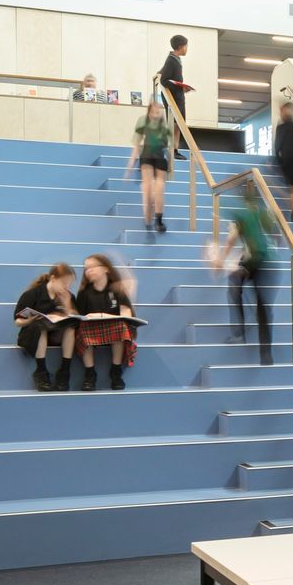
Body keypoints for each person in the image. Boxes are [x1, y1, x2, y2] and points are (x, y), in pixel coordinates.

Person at [216, 186, 275, 363]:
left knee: (234, 286)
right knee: (262, 305)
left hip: (255, 260)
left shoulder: (241, 214)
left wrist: (220, 260)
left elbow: (231, 240)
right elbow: (270, 233)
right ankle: (266, 353)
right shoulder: (262, 212)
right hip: (267, 261)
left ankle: (239, 333)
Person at [74, 254, 136, 391]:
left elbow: (126, 312)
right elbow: (79, 316)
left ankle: (116, 372)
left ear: (105, 269)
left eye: (92, 267)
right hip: (91, 329)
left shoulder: (116, 289)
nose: (88, 271)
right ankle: (90, 374)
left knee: (121, 327)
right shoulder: (84, 292)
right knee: (82, 330)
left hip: (113, 328)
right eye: (86, 269)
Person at [14, 262, 78, 392]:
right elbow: (18, 322)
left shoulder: (68, 296)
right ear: (53, 279)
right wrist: (29, 320)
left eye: (70, 284)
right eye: (64, 283)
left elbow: (74, 318)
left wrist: (67, 305)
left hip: (55, 335)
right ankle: (41, 372)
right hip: (33, 335)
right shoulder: (33, 293)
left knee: (71, 326)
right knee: (41, 326)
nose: (67, 287)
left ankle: (64, 371)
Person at [128, 101, 172, 233]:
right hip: (147, 156)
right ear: (149, 112)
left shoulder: (165, 127)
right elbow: (136, 143)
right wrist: (130, 164)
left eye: (158, 111)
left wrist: (170, 163)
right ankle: (149, 215)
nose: (156, 113)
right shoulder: (143, 121)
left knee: (159, 189)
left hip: (159, 157)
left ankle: (158, 219)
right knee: (148, 190)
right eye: (154, 111)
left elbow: (168, 147)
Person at [273, 99, 293, 223]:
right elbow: (278, 145)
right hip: (292, 160)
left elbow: (278, 145)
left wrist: (277, 159)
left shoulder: (285, 127)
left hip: (291, 160)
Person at [158, 34, 190, 118]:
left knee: (179, 127)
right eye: (186, 46)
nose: (187, 49)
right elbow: (164, 80)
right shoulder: (171, 60)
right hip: (174, 98)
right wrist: (180, 87)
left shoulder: (176, 59)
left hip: (178, 97)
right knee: (176, 125)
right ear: (180, 46)